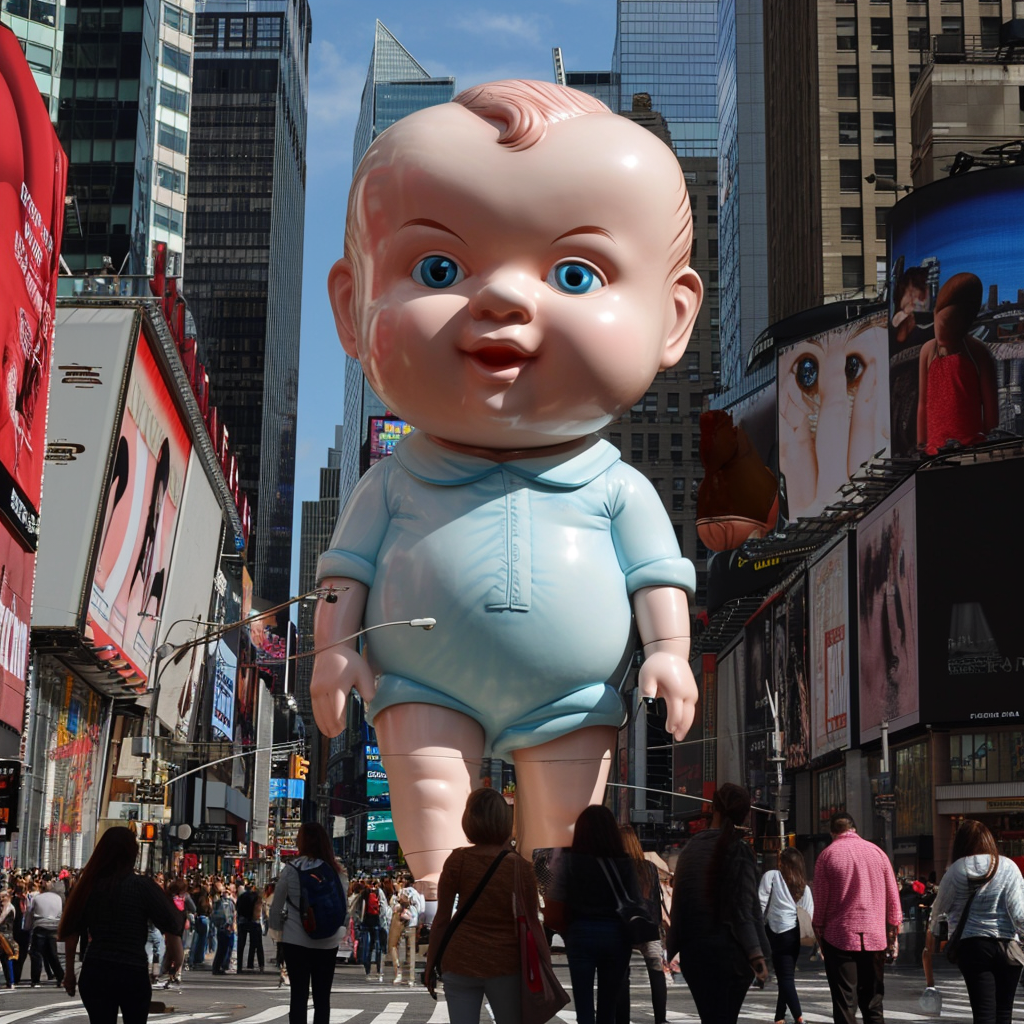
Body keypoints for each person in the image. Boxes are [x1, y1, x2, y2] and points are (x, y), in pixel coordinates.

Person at [310, 79, 702, 895]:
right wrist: (333, 654)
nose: (502, 298)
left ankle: (544, 918)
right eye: (440, 266)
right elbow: (341, 577)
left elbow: (655, 575)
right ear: (353, 308)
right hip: (422, 689)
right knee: (437, 849)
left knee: (561, 851)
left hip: (573, 696)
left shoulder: (614, 484)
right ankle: (442, 911)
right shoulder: (393, 481)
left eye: (576, 274)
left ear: (672, 316)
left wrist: (670, 651)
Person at [424, 788, 540, 1022]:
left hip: (459, 959)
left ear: (469, 819)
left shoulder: (458, 860)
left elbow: (442, 919)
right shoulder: (521, 867)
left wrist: (430, 964)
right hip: (505, 963)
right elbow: (532, 923)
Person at [57, 826, 184, 1024]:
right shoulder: (142, 886)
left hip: (96, 968)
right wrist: (176, 956)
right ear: (132, 853)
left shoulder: (89, 886)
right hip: (131, 970)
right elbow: (170, 922)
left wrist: (69, 974)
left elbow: (72, 933)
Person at [666, 784, 769, 1024]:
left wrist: (672, 948)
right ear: (743, 815)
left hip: (695, 953)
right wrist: (757, 955)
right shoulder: (740, 850)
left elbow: (679, 904)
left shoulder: (690, 850)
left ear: (714, 809)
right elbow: (744, 910)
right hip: (731, 955)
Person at [545, 805, 641, 1024]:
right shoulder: (625, 863)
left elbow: (555, 902)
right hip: (617, 936)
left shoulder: (570, 861)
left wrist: (568, 929)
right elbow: (636, 900)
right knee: (609, 1008)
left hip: (581, 933)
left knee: (584, 1008)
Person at [928, 819, 1024, 1024]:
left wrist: (935, 932)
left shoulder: (955, 870)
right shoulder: (1008, 867)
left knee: (983, 1013)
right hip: (1007, 946)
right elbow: (1019, 914)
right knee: (1004, 1013)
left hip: (972, 945)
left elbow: (939, 909)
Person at [812, 811, 902, 1024]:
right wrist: (893, 934)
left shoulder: (827, 855)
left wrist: (819, 933)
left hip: (839, 935)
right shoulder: (878, 853)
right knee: (873, 1002)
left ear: (833, 832)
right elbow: (893, 898)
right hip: (875, 935)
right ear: (854, 828)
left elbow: (821, 902)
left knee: (845, 1003)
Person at [268, 822, 348, 1024]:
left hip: (295, 940)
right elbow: (344, 907)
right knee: (323, 998)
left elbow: (276, 907)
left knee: (299, 996)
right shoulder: (336, 871)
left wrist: (276, 934)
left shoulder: (291, 869)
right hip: (328, 941)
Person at [916, 272, 998, 455]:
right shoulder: (927, 352)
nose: (945, 349)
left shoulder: (979, 353)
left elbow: (991, 412)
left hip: (971, 451)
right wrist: (921, 445)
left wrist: (987, 448)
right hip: (934, 453)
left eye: (950, 342)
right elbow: (923, 402)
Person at [615, 825, 667, 1024]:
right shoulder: (648, 867)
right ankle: (660, 1018)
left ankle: (623, 1019)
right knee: (655, 970)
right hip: (648, 925)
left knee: (622, 973)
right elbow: (654, 898)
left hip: (624, 926)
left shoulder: (618, 868)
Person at [759, 848, 815, 1024]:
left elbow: (760, 903)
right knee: (786, 974)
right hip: (794, 934)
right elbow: (809, 913)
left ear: (783, 863)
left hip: (774, 932)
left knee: (785, 977)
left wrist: (756, 928)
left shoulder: (772, 876)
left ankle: (799, 1016)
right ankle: (779, 1017)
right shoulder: (803, 887)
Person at [26, 878, 64, 987]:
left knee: (36, 954)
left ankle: (35, 980)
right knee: (52, 954)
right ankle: (60, 976)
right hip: (54, 927)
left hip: (40, 926)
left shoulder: (37, 898)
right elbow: (60, 913)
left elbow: (30, 912)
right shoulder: (58, 898)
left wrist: (27, 927)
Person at [388, 872, 424, 985]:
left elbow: (392, 907)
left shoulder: (399, 892)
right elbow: (421, 909)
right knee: (411, 950)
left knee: (394, 947)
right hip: (412, 922)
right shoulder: (416, 893)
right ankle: (411, 978)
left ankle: (398, 973)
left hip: (399, 921)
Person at [357, 877, 386, 982]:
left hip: (366, 922)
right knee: (378, 947)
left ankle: (368, 970)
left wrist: (359, 921)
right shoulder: (379, 892)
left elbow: (358, 907)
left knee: (367, 947)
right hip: (376, 922)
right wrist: (383, 922)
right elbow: (383, 907)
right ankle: (378, 970)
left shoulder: (364, 892)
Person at [236, 882, 264, 973]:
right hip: (254, 922)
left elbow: (237, 908)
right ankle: (259, 965)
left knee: (241, 945)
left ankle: (239, 966)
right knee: (257, 944)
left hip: (242, 921)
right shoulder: (257, 897)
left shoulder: (242, 897)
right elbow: (258, 911)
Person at [209, 880, 235, 975]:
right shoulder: (219, 901)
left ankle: (219, 966)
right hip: (223, 927)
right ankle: (217, 967)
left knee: (224, 948)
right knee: (222, 948)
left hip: (223, 926)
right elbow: (224, 914)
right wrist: (227, 924)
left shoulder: (223, 901)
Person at [0, 890, 16, 988]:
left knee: (7, 958)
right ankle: (9, 981)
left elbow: (1, 918)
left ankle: (11, 981)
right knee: (3, 959)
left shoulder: (9, 907)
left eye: (3, 897)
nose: (1, 900)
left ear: (8, 897)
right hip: (2, 935)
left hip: (6, 936)